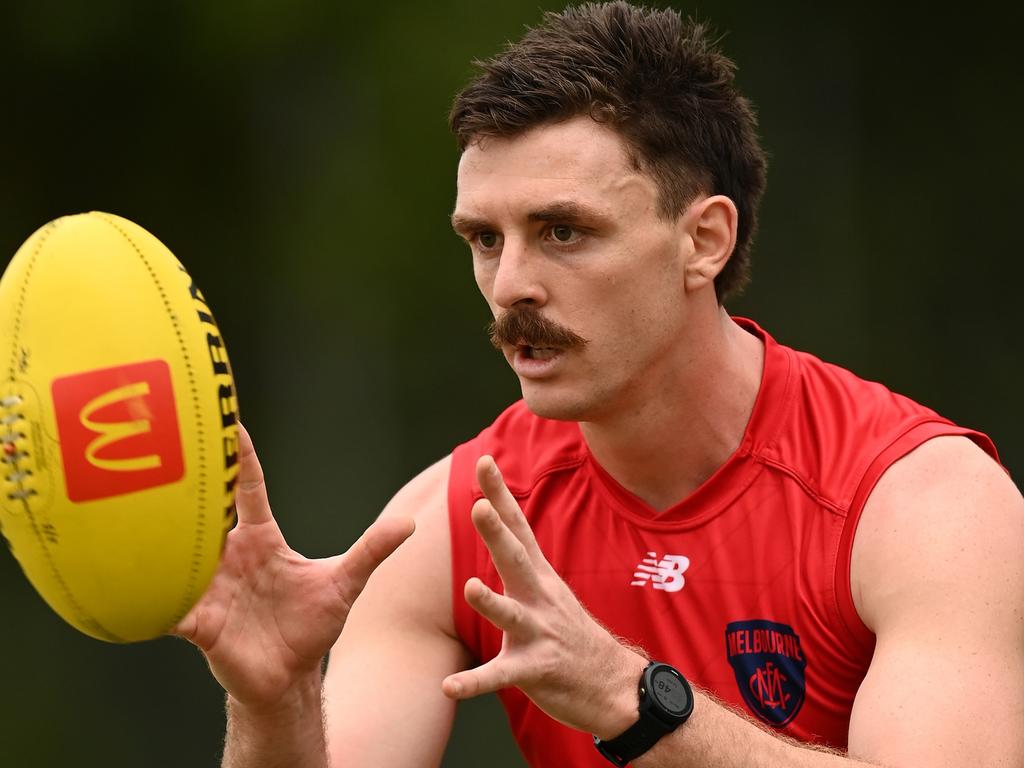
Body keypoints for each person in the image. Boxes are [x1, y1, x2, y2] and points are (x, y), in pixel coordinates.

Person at [174, 3, 1024, 766]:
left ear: (705, 241)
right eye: (484, 239)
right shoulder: (453, 524)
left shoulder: (924, 507)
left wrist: (635, 700)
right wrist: (274, 700)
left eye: (563, 231)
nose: (510, 285)